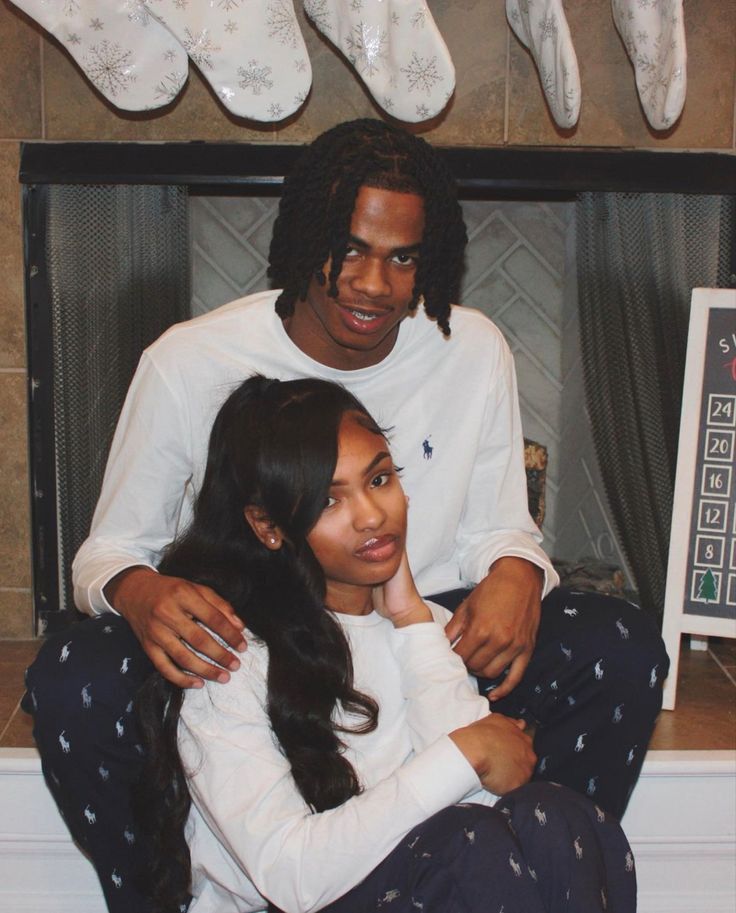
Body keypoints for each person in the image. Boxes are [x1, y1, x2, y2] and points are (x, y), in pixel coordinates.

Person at [25, 118, 666, 913]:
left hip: (420, 626)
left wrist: (516, 572)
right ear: (302, 241)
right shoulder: (190, 362)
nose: (374, 284)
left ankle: (520, 858)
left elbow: (503, 526)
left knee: (621, 647)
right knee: (74, 671)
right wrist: (139, 590)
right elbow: (108, 551)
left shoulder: (472, 348)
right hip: (264, 640)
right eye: (351, 249)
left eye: (403, 257)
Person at [134, 373, 636, 913]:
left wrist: (413, 618)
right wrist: (464, 753)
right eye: (329, 500)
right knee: (467, 843)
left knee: (557, 817)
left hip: (413, 888)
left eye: (378, 480)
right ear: (267, 526)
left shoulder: (422, 630)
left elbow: (499, 783)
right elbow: (289, 877)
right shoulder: (229, 660)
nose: (373, 516)